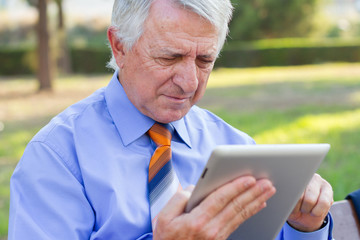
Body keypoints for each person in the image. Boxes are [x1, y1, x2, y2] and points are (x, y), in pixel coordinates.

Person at [8, 0, 334, 239]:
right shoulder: (57, 158)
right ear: (119, 46)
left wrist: (303, 226)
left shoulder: (234, 145)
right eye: (169, 57)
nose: (190, 82)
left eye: (205, 60)